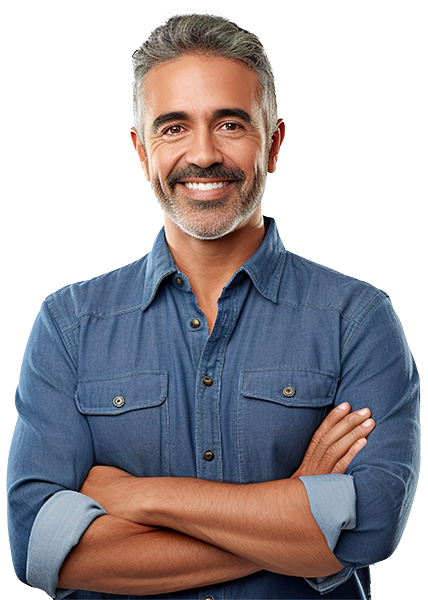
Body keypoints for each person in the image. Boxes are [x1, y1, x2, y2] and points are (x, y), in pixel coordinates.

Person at [7, 11, 420, 600]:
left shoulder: (355, 320)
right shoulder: (69, 326)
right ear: (140, 150)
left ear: (273, 143)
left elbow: (370, 525)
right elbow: (39, 548)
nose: (203, 154)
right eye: (173, 127)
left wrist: (142, 496)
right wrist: (295, 515)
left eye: (229, 124)